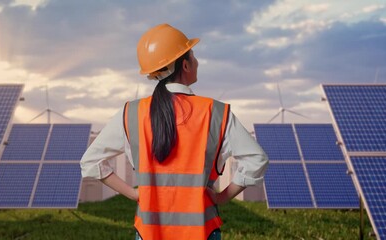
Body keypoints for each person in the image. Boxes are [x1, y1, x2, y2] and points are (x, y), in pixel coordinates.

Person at [80, 23, 268, 240]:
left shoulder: (131, 113)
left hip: (149, 233)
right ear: (185, 65)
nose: (197, 62)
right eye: (193, 56)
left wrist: (134, 193)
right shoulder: (216, 113)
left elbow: (90, 163)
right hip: (202, 233)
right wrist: (222, 197)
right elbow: (257, 159)